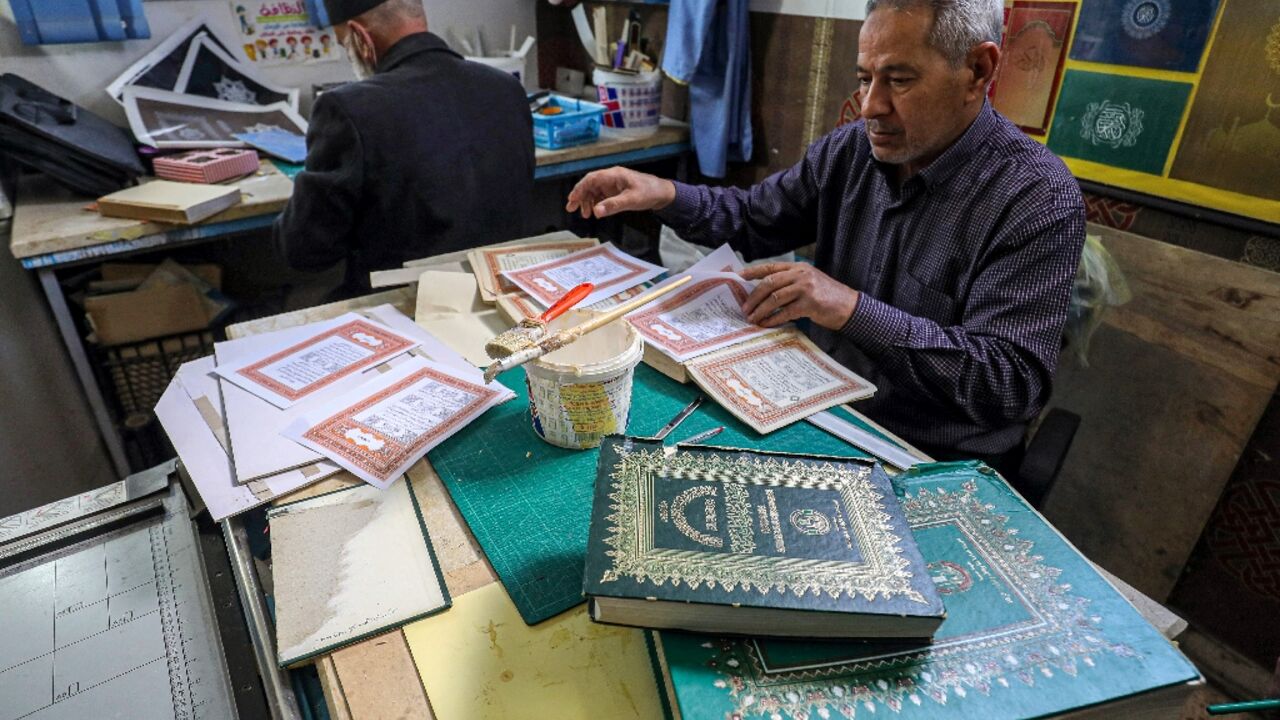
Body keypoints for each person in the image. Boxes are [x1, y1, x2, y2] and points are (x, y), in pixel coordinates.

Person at [566, 0, 1086, 476]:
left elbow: (1008, 383)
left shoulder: (1037, 199)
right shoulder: (853, 151)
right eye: (865, 79)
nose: (870, 107)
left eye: (899, 80)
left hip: (932, 459)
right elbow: (755, 218)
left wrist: (850, 309)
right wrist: (663, 193)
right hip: (820, 413)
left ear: (979, 71)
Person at [274, 0, 535, 298]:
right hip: (500, 292)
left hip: (409, 304)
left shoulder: (348, 109)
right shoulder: (507, 89)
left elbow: (305, 252)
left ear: (361, 38)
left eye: (344, 44)